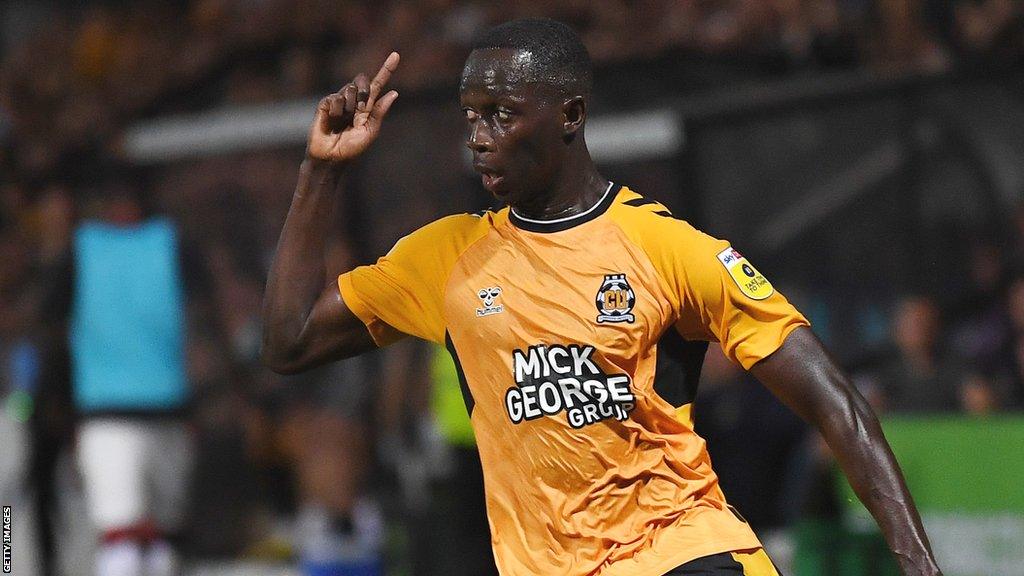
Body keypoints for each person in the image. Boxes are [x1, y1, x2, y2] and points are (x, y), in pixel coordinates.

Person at [262, 18, 942, 576]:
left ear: (571, 114)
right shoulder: (443, 257)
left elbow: (834, 400)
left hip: (681, 551)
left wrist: (918, 563)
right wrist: (321, 172)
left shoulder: (666, 248)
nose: (478, 138)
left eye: (501, 115)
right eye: (471, 117)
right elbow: (289, 341)